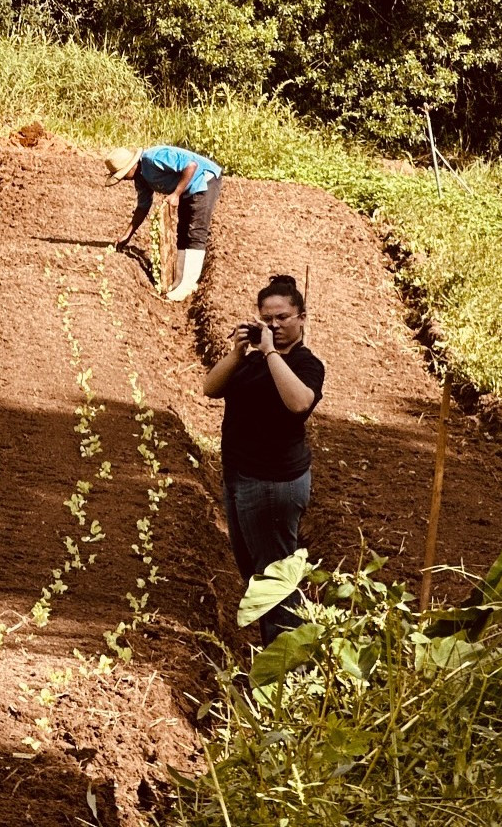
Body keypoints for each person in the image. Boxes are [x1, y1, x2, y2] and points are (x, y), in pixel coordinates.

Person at [200, 274, 326, 643]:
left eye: (283, 318)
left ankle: (286, 664)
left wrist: (271, 352)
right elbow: (211, 388)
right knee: (256, 571)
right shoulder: (250, 361)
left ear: (302, 318)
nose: (274, 326)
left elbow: (299, 403)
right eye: (267, 319)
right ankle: (278, 650)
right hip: (240, 477)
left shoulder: (306, 364)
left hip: (275, 485)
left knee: (274, 581)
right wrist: (239, 352)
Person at [107, 144, 225, 301]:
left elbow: (191, 165)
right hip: (188, 187)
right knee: (183, 231)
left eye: (123, 174)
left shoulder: (155, 158)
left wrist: (176, 194)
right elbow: (143, 207)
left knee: (196, 231)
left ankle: (188, 285)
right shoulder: (140, 178)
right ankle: (179, 281)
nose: (124, 179)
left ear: (132, 165)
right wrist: (126, 236)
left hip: (204, 180)